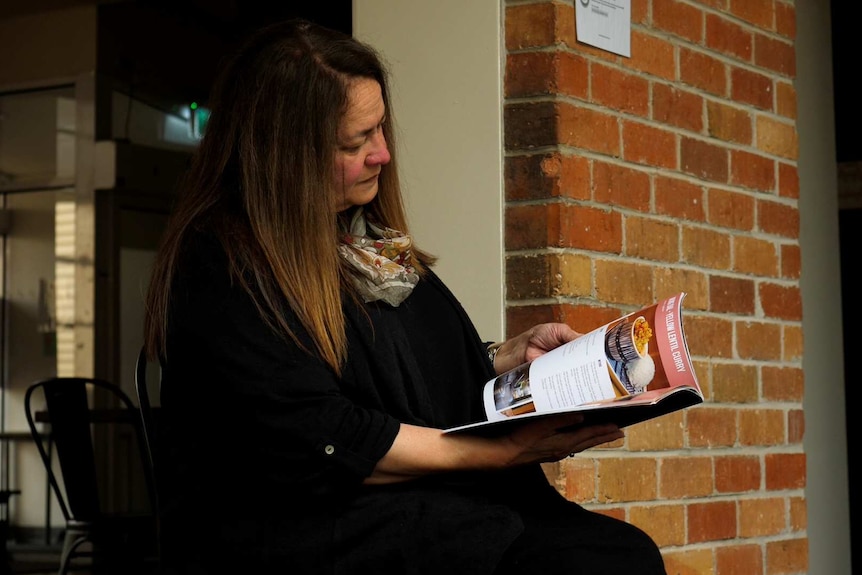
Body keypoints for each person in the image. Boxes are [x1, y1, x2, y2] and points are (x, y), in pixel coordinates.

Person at [142, 18, 668, 575]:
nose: (383, 155)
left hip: (409, 500)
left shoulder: (363, 243)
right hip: (300, 524)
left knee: (611, 552)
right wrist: (498, 454)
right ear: (281, 154)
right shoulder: (222, 269)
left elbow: (388, 368)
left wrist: (502, 358)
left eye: (380, 130)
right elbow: (327, 435)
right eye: (355, 141)